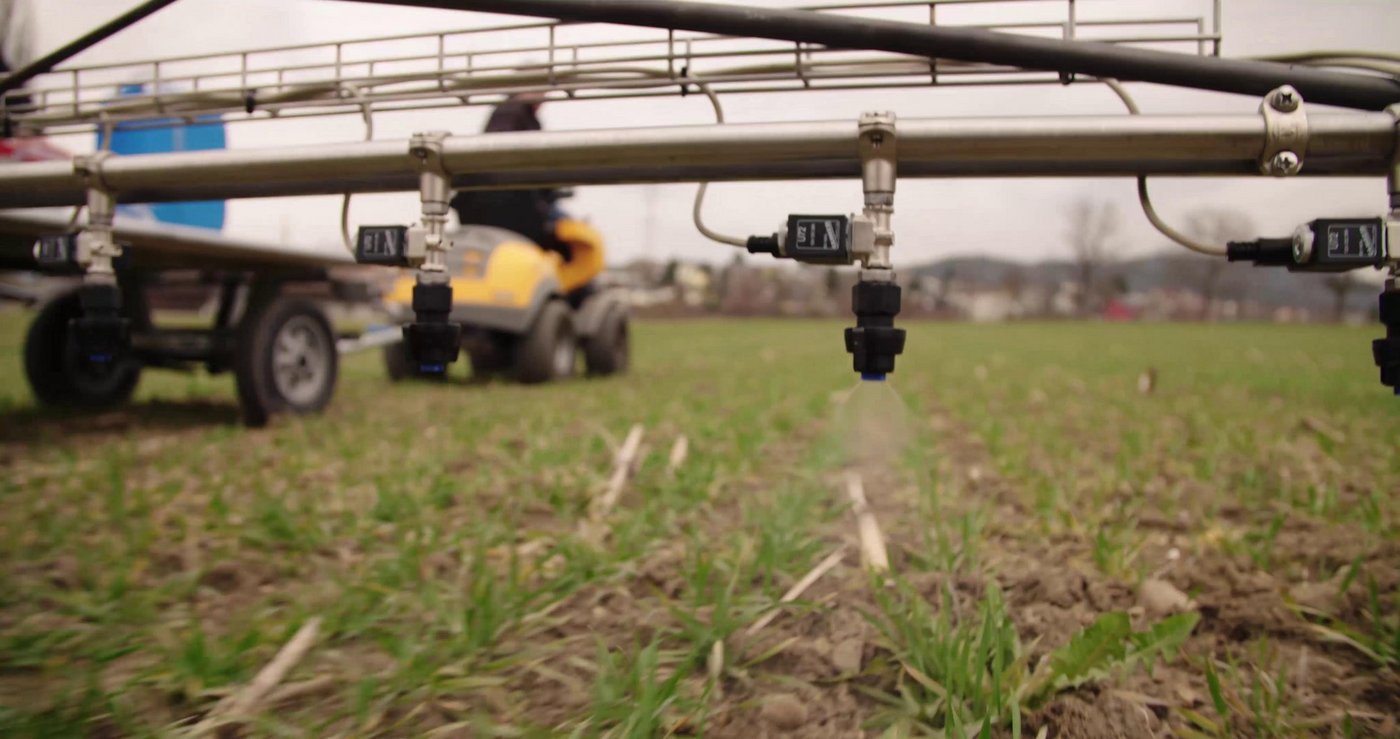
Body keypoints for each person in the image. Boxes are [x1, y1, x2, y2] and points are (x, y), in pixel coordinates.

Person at [450, 92, 571, 259]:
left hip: (491, 203)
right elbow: (529, 160)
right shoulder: (517, 115)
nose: (544, 98)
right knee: (574, 235)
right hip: (517, 205)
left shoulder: (508, 114)